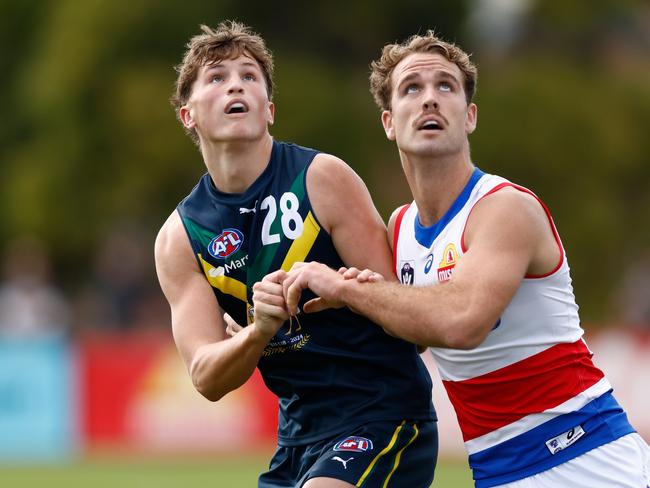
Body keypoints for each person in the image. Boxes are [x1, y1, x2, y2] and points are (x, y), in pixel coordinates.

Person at [280, 31, 650, 487]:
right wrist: (265, 320)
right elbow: (404, 330)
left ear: (469, 115)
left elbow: (461, 321)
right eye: (411, 88)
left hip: (586, 458)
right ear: (389, 121)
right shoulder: (398, 227)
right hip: (497, 470)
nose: (430, 99)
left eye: (446, 87)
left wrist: (349, 289)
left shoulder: (503, 208)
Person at [153, 22, 437, 488]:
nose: (236, 85)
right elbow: (206, 376)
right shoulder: (180, 237)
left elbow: (408, 324)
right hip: (298, 441)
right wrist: (258, 332)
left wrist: (338, 286)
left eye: (249, 76)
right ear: (188, 114)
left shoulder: (322, 178)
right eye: (217, 78)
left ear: (269, 109)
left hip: (384, 416)